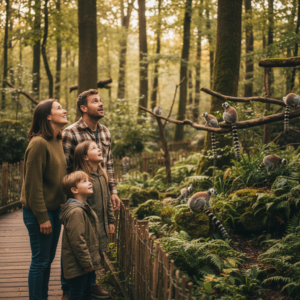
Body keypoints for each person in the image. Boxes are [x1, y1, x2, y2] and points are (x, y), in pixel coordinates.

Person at [21, 99, 68, 300]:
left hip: (55, 211)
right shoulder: (38, 143)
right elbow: (33, 184)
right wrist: (42, 217)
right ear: (48, 116)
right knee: (40, 261)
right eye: (58, 108)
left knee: (47, 260)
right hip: (39, 212)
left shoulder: (57, 141)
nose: (64, 110)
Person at [62, 89, 120, 211]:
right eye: (95, 101)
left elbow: (109, 164)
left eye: (100, 101)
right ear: (84, 108)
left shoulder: (105, 132)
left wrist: (113, 191)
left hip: (102, 195)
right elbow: (64, 169)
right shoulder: (70, 132)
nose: (101, 104)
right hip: (81, 199)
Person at [60, 171, 103, 300]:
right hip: (79, 263)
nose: (90, 182)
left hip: (84, 261)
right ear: (74, 189)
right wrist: (86, 262)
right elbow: (78, 240)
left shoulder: (84, 207)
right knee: (77, 293)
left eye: (89, 180)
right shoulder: (76, 212)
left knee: (85, 292)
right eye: (84, 181)